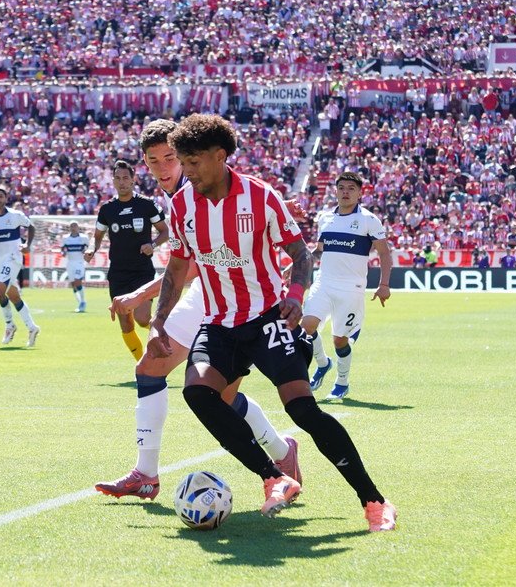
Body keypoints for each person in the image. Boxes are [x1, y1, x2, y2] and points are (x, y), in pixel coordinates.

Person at [151, 114, 395, 531]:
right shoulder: (181, 206)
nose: (185, 172)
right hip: (219, 321)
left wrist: (296, 297)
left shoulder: (260, 196)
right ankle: (274, 477)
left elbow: (300, 254)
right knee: (198, 393)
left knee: (302, 409)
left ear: (219, 156)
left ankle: (374, 501)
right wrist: (159, 321)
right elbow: (177, 266)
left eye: (193, 163)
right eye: (183, 164)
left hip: (267, 318)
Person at [95, 119, 300, 501]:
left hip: (238, 300)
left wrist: (140, 295)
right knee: (151, 369)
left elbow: (189, 265)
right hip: (206, 294)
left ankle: (280, 457)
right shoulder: (178, 196)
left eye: (170, 158)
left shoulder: (198, 185)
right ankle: (147, 474)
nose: (163, 168)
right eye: (153, 161)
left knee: (219, 397)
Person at [301, 172, 393, 399]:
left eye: (351, 188)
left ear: (360, 193)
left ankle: (342, 382)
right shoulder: (325, 217)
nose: (345, 192)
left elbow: (384, 253)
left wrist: (384, 284)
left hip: (351, 288)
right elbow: (319, 250)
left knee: (339, 340)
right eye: (341, 187)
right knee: (306, 326)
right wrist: (297, 265)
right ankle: (322, 364)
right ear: (336, 191)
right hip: (324, 283)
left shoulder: (368, 220)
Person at [85, 160, 168, 360]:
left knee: (141, 318)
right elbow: (97, 237)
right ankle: (143, 365)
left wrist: (153, 245)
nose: (122, 182)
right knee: (126, 325)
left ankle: (168, 336)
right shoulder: (107, 209)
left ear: (133, 180)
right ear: (113, 181)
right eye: (118, 178)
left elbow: (165, 232)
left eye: (126, 178)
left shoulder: (146, 205)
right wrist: (91, 249)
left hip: (142, 271)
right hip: (118, 274)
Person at [0, 185, 41, 347]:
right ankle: (32, 327)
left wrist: (27, 244)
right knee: (12, 295)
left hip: (13, 258)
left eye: (1, 196)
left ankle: (9, 325)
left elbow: (31, 226)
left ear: (6, 198)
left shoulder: (15, 215)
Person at [60, 222, 88, 313]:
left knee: (77, 281)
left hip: (80, 262)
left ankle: (83, 302)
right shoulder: (65, 238)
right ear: (69, 228)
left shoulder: (84, 238)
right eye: (71, 226)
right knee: (73, 284)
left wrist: (86, 252)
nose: (73, 228)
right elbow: (62, 251)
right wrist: (63, 253)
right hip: (70, 263)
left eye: (75, 226)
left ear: (78, 227)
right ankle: (80, 302)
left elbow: (88, 250)